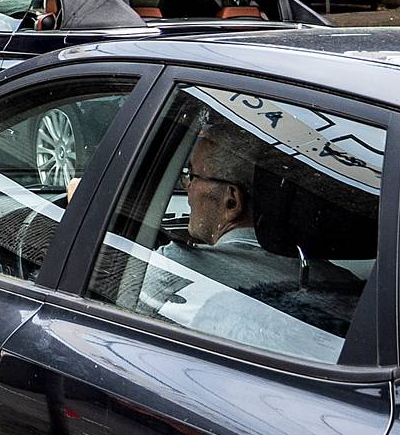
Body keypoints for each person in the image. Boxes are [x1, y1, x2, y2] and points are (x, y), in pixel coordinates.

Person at [140, 124, 332, 358]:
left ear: (232, 201)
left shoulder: (175, 270)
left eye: (192, 176)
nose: (186, 187)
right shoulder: (348, 285)